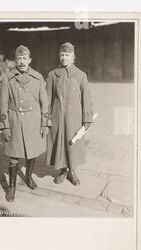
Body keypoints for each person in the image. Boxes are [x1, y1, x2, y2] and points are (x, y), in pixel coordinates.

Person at [0, 45, 51, 202]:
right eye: (18, 59)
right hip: (15, 121)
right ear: (15, 61)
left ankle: (28, 177)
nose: (21, 62)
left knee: (32, 153)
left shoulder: (38, 77)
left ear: (30, 60)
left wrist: (44, 123)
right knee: (14, 157)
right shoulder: (8, 78)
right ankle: (12, 187)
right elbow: (2, 103)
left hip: (33, 122)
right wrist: (4, 126)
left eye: (24, 59)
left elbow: (44, 102)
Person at [45, 42, 94, 186]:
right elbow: (47, 98)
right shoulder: (53, 75)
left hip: (74, 118)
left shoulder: (81, 75)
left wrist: (87, 118)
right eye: (61, 55)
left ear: (73, 57)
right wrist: (45, 118)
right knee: (58, 144)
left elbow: (87, 98)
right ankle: (62, 171)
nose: (64, 58)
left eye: (67, 55)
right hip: (57, 116)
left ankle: (71, 171)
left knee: (71, 144)